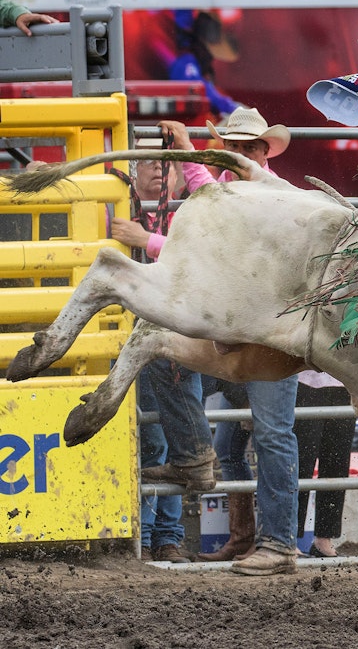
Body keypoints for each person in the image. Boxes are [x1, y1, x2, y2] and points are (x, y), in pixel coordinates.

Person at [157, 109, 300, 576]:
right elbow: (212, 189)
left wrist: (187, 150)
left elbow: (214, 193)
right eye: (232, 148)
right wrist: (189, 151)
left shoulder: (271, 193)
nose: (240, 155)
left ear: (263, 152)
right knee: (165, 363)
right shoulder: (231, 188)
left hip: (271, 329)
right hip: (238, 325)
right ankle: (199, 464)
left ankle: (277, 543)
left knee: (273, 432)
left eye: (248, 148)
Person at [112, 140, 217, 563]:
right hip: (141, 336)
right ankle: (151, 531)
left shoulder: (185, 216)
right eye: (149, 165)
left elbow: (196, 263)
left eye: (164, 165)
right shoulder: (118, 212)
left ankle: (167, 535)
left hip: (177, 334)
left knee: (168, 431)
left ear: (175, 176)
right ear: (135, 175)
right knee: (154, 436)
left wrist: (142, 238)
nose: (158, 171)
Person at [294, 371, 356, 558]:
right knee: (300, 462)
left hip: (344, 380)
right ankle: (289, 539)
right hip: (302, 380)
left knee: (337, 463)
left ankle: (324, 539)